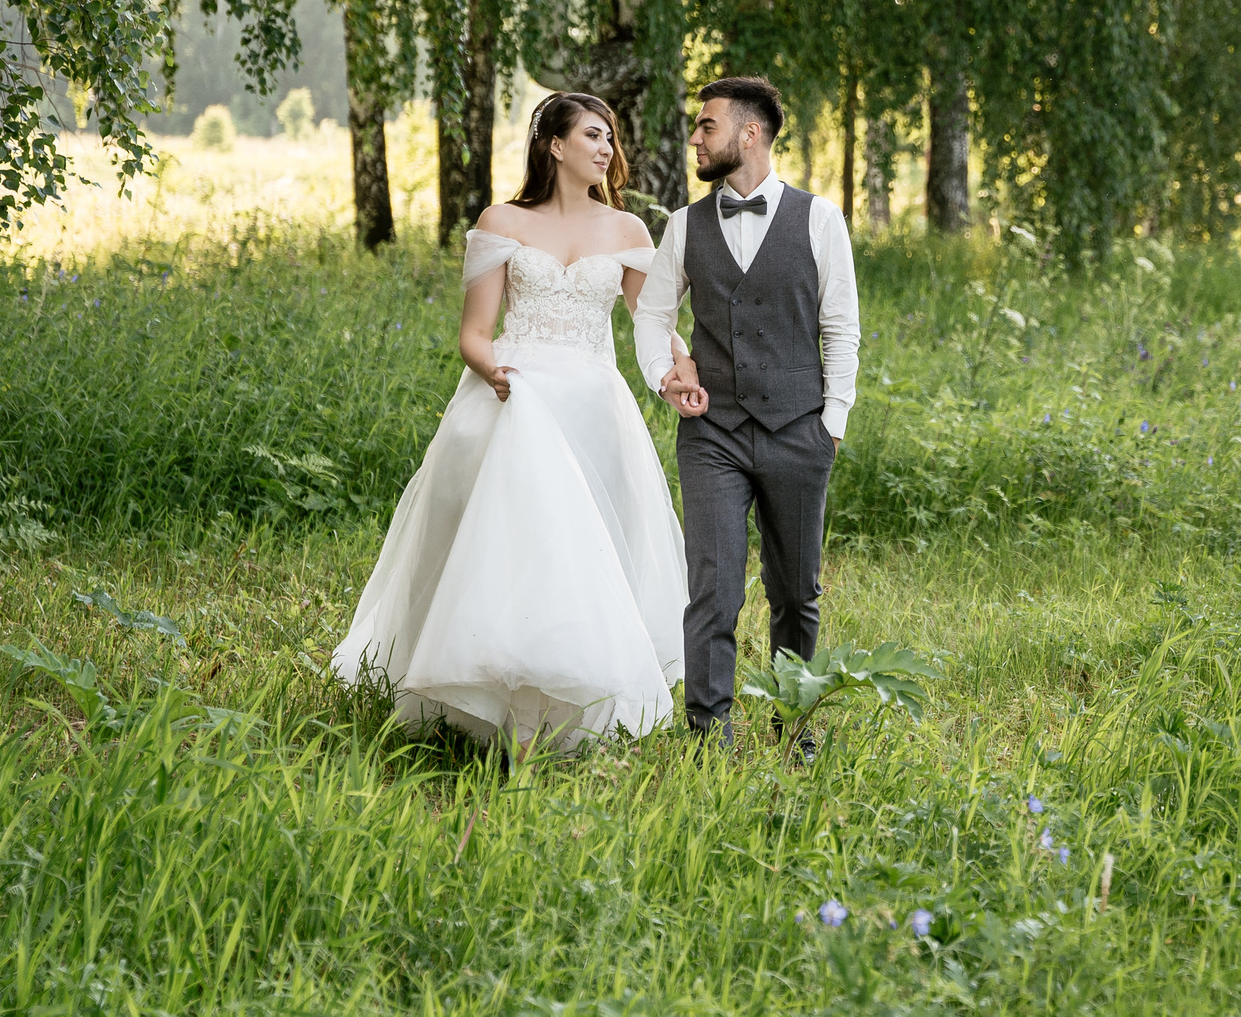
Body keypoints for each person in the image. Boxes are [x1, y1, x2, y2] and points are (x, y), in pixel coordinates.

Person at [332, 92, 689, 748]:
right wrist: (493, 370)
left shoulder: (629, 232)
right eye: (592, 135)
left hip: (591, 402)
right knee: (502, 543)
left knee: (585, 551)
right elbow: (474, 332)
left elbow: (654, 327)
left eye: (611, 137)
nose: (607, 147)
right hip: (514, 393)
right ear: (554, 145)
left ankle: (570, 701)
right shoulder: (503, 220)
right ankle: (473, 696)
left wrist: (681, 371)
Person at [631, 76, 860, 750]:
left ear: (749, 133)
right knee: (714, 588)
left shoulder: (820, 219)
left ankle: (797, 730)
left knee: (796, 592)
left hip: (800, 429)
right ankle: (709, 736)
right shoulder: (683, 226)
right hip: (712, 435)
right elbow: (652, 316)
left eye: (707, 125)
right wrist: (664, 381)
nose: (696, 138)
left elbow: (841, 326)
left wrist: (833, 421)